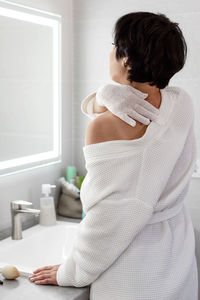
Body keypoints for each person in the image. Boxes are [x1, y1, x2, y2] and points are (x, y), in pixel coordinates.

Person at [29, 11, 198, 300]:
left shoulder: (104, 127)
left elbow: (107, 221)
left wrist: (69, 272)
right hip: (177, 260)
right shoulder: (181, 103)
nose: (110, 52)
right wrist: (105, 95)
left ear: (126, 59)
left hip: (134, 273)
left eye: (114, 45)